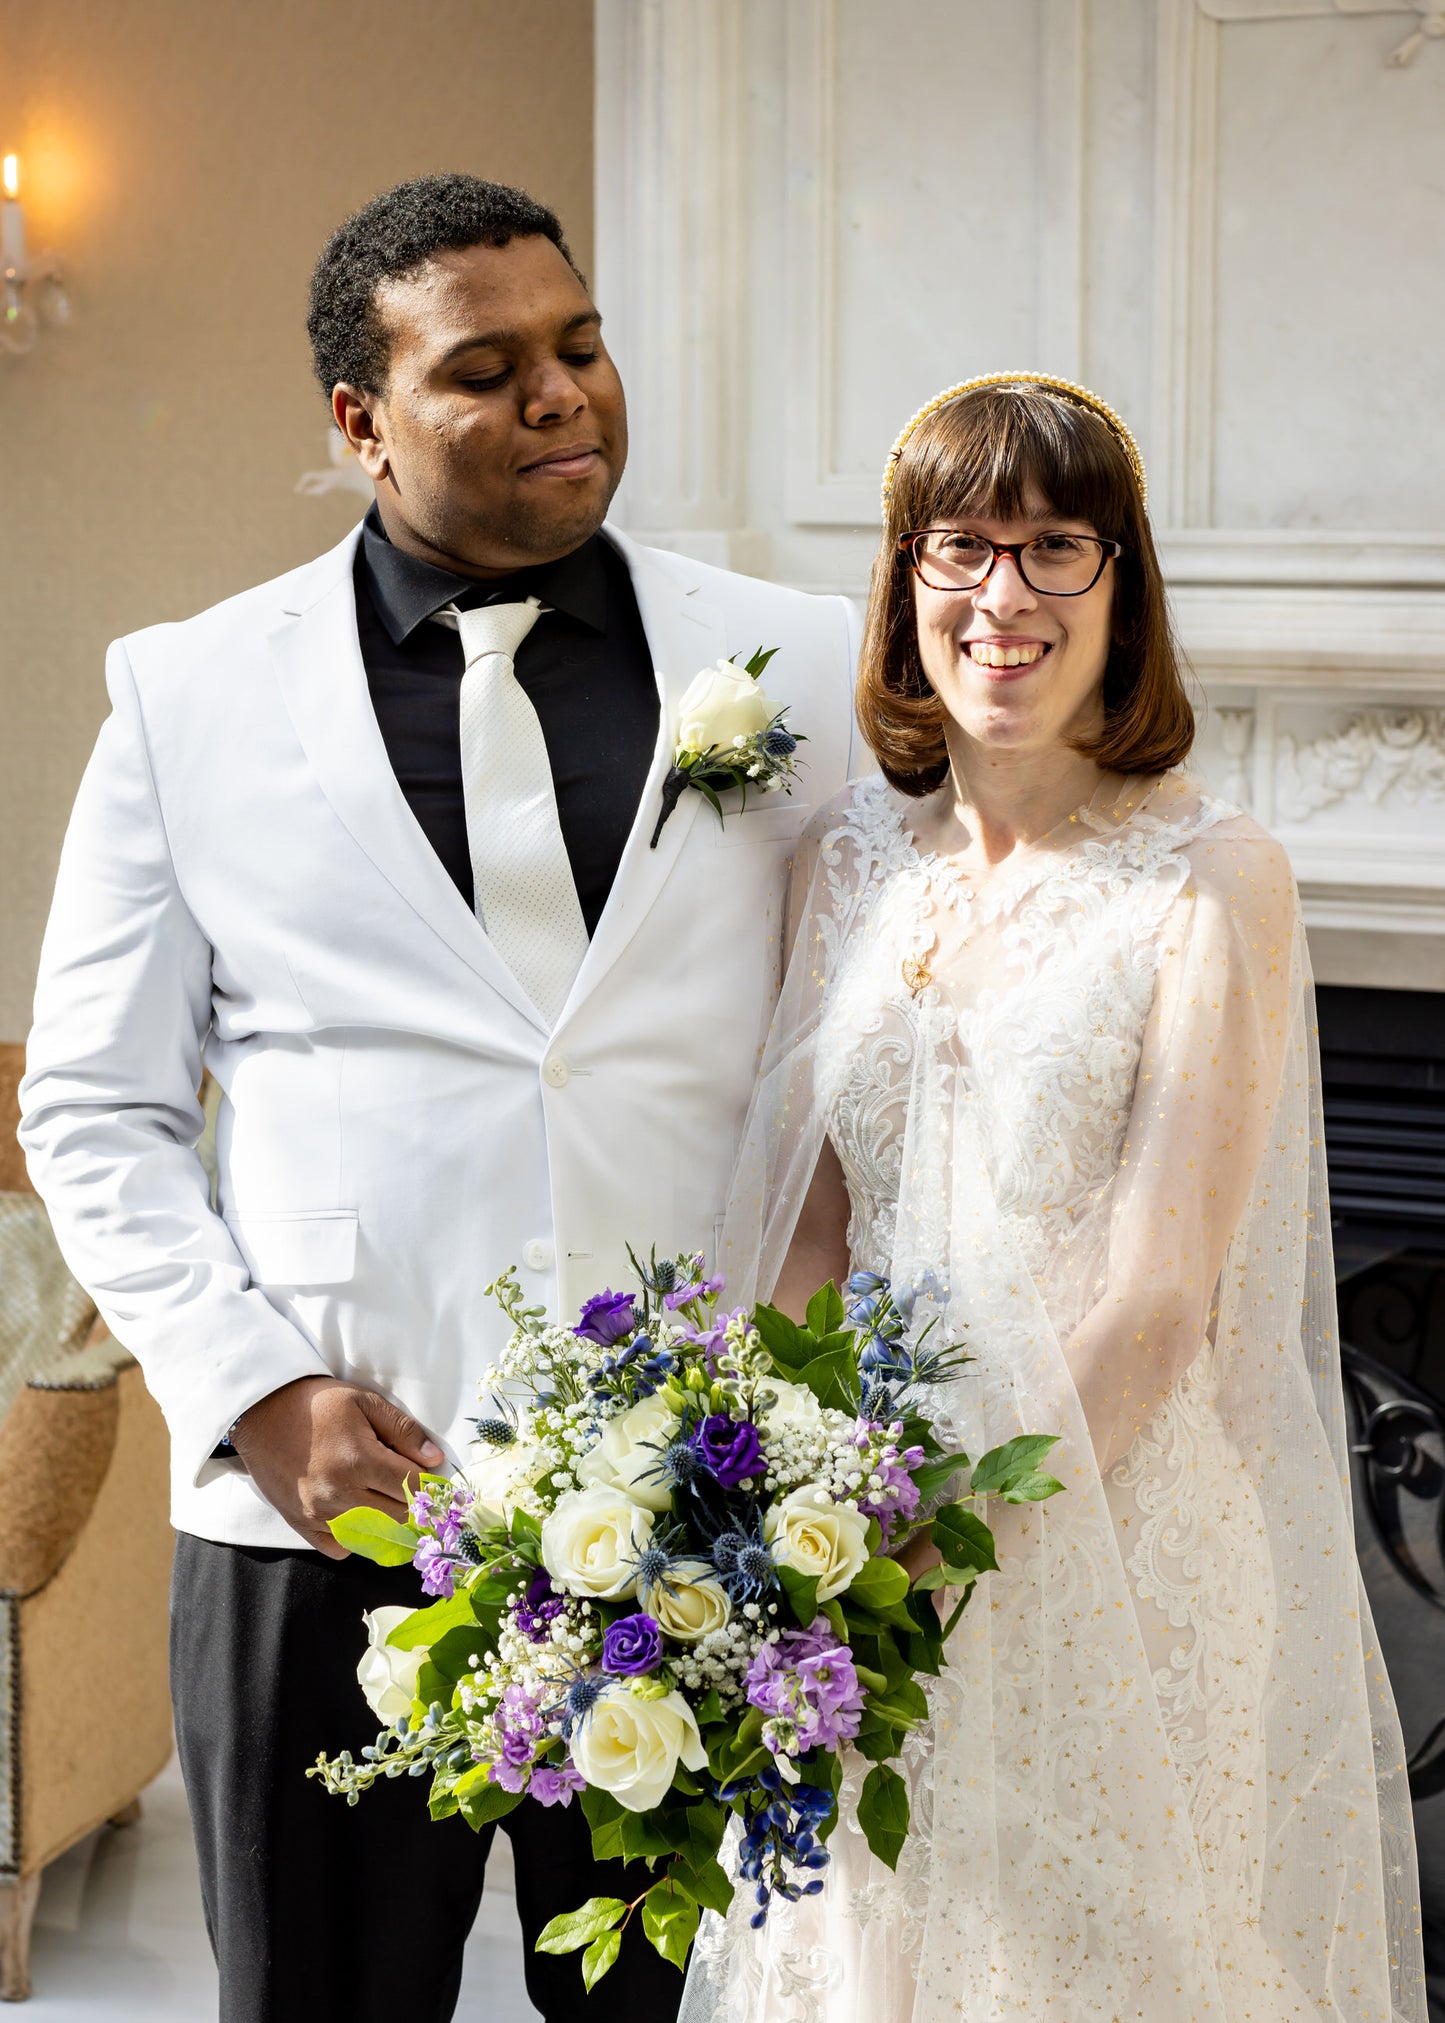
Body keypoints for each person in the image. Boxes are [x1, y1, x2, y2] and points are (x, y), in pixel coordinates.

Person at [17, 175, 858, 2023]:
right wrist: (256, 1394)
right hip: (331, 1514)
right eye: (486, 369)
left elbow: (878, 1039)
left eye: (580, 345)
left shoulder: (792, 658)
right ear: (359, 421)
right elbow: (91, 1103)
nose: (563, 395)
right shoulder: (186, 695)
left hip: (691, 1516)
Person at [680, 374, 1427, 2022]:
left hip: (1118, 1525)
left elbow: (1162, 1297)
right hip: (859, 1537)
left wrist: (935, 1539)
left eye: (1052, 550)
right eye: (959, 549)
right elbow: (812, 1228)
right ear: (905, 585)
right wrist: (781, 1499)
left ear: (1121, 588)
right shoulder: (849, 861)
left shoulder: (1209, 873)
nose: (999, 597)